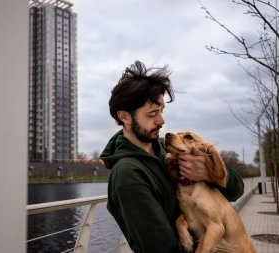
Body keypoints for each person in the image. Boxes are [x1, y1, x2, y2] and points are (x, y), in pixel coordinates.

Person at [100, 61, 244, 253]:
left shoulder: (165, 148)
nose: (162, 120)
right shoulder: (128, 175)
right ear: (125, 117)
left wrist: (207, 173)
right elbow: (163, 249)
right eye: (152, 114)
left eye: (161, 111)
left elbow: (236, 190)